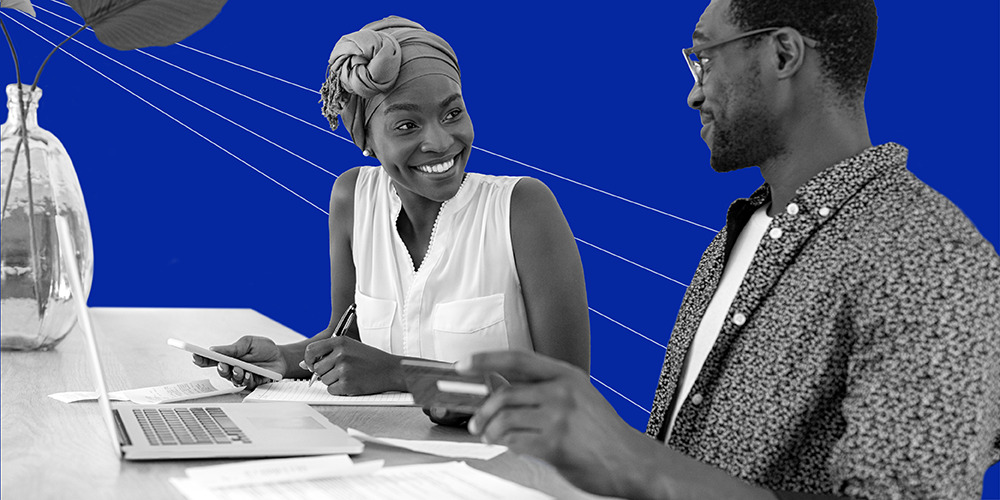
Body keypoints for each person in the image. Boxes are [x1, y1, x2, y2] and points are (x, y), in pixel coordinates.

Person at [456, 0, 1000, 498]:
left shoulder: (930, 257)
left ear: (781, 53)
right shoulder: (741, 233)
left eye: (705, 59)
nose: (694, 92)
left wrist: (639, 463)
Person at [193, 16, 589, 401]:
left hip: (508, 461)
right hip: (387, 451)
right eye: (406, 126)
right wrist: (283, 359)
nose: (439, 141)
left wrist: (399, 373)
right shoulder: (353, 196)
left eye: (452, 113)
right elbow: (347, 336)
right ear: (366, 139)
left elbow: (567, 392)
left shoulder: (521, 209)